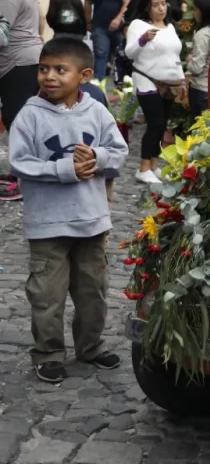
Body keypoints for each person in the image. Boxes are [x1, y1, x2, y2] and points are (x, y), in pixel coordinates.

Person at [8, 37, 129, 383]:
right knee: (47, 296)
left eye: (61, 70)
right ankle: (48, 353)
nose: (49, 77)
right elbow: (19, 162)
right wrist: (65, 170)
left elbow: (117, 151)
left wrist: (98, 158)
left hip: (91, 223)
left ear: (84, 75)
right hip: (47, 226)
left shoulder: (97, 112)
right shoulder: (30, 115)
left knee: (94, 292)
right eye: (44, 69)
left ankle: (90, 347)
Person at [125, 0, 185, 185]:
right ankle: (143, 168)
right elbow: (130, 53)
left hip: (170, 83)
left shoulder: (170, 27)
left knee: (163, 124)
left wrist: (182, 80)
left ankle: (153, 165)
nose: (161, 8)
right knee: (155, 123)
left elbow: (175, 56)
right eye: (156, 4)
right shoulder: (138, 25)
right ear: (147, 7)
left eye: (163, 3)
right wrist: (143, 40)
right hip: (147, 79)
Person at [0, 0, 45, 202]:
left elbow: (1, 33)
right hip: (29, 59)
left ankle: (22, 179)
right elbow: (40, 24)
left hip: (16, 63)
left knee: (17, 120)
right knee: (22, 119)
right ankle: (22, 173)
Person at [83, 0, 133, 82]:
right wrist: (87, 21)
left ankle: (121, 82)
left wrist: (117, 19)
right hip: (99, 26)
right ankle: (98, 83)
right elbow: (87, 3)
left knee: (120, 55)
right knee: (100, 54)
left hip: (119, 28)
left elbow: (127, 3)